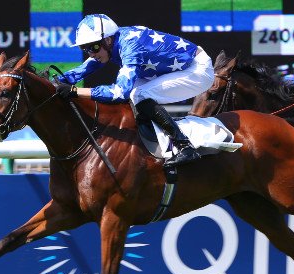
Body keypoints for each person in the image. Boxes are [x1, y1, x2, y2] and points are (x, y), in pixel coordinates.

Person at [53, 13, 214, 167]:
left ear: (107, 40)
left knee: (138, 94)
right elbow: (87, 66)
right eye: (85, 48)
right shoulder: (111, 42)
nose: (91, 53)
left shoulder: (131, 46)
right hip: (176, 69)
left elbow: (118, 92)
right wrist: (56, 81)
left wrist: (75, 91)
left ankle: (184, 146)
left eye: (93, 47)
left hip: (197, 70)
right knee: (134, 95)